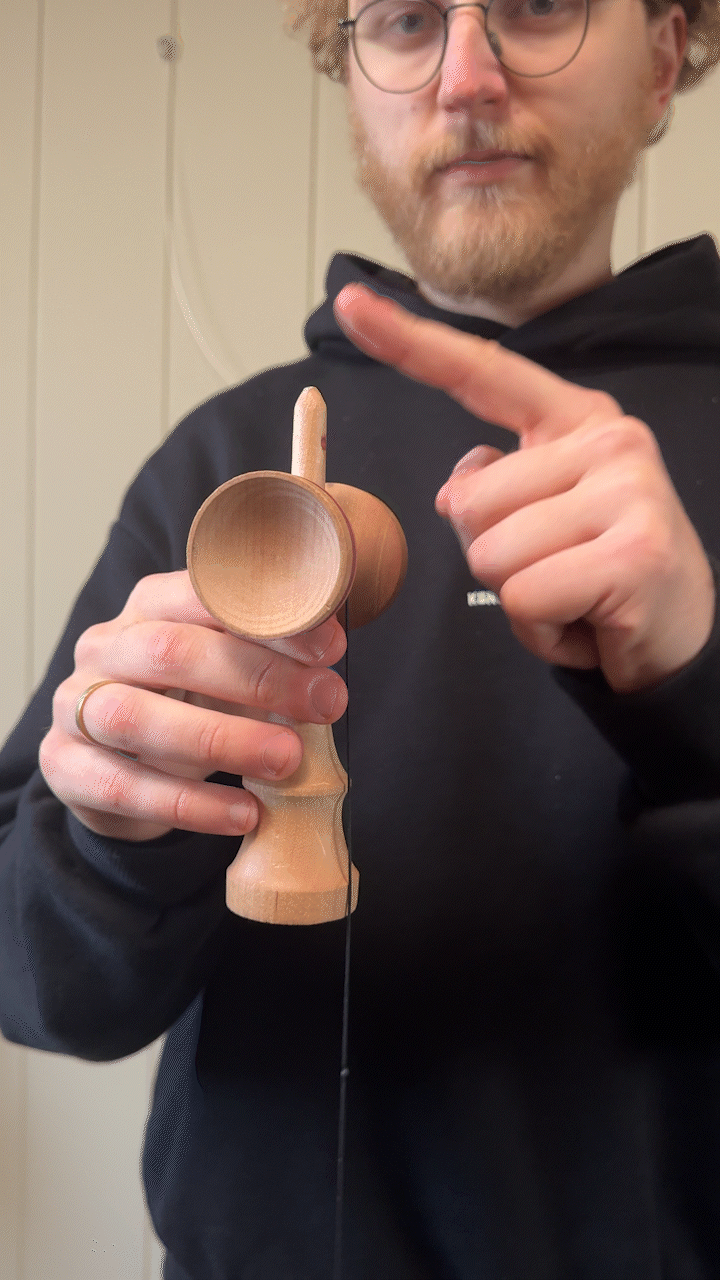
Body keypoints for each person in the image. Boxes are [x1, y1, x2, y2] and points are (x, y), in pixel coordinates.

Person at [2, 0, 720, 1275]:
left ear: (665, 52)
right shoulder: (223, 467)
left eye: (538, 5)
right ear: (350, 71)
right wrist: (112, 838)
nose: (466, 76)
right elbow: (38, 984)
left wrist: (699, 697)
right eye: (404, 20)